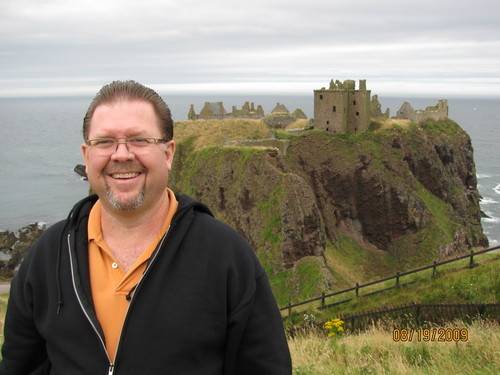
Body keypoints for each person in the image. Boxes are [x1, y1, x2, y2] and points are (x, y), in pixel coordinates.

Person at [0, 80, 292, 374]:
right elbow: (20, 366)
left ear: (168, 153)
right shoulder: (48, 255)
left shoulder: (225, 255)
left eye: (139, 140)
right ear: (87, 156)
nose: (122, 155)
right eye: (104, 142)